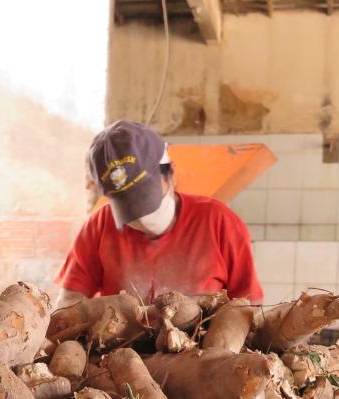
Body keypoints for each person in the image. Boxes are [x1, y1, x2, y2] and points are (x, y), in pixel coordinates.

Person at [56, 120, 263, 307]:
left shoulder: (219, 222)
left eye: (145, 198)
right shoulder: (99, 226)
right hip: (122, 348)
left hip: (206, 347)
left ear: (170, 174)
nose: (143, 218)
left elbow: (249, 305)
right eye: (129, 207)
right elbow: (69, 303)